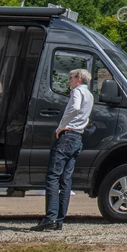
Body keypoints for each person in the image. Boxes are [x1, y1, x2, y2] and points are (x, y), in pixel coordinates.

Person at [31, 68, 94, 232]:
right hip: (78, 137)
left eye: (71, 78)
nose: (69, 81)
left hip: (68, 135)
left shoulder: (77, 92)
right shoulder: (90, 95)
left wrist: (62, 126)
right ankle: (59, 219)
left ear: (78, 78)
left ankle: (50, 217)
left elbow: (74, 107)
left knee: (53, 176)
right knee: (66, 179)